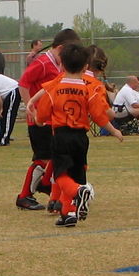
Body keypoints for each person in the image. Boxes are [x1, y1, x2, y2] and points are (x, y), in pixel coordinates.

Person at [33, 42, 122, 227]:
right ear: (85, 67)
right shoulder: (89, 89)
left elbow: (42, 114)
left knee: (61, 176)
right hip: (81, 137)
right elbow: (99, 114)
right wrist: (114, 130)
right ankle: (68, 214)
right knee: (76, 174)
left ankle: (78, 193)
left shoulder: (55, 89)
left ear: (62, 65)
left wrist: (38, 120)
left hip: (61, 136)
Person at [15, 28, 80, 210]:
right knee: (42, 159)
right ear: (60, 48)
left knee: (55, 157)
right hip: (39, 120)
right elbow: (23, 83)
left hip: (51, 120)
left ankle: (49, 190)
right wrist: (31, 109)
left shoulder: (56, 65)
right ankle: (24, 195)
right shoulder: (43, 63)